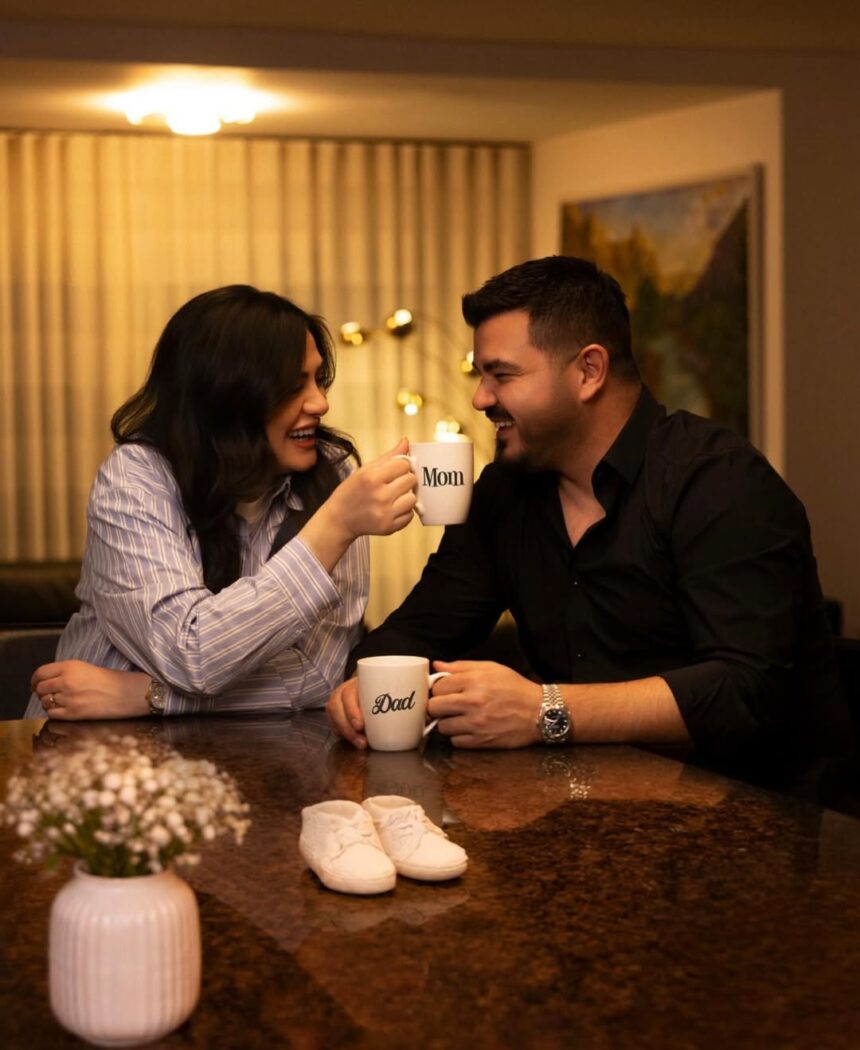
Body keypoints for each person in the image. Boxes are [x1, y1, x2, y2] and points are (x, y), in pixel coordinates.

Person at [327, 256, 849, 781]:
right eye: (481, 375)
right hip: (583, 798)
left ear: (589, 371)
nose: (480, 398)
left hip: (751, 806)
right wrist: (361, 685)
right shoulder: (505, 492)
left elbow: (745, 691)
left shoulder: (719, 481)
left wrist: (544, 710)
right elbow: (420, 629)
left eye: (501, 375)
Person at [25, 285, 417, 720]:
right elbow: (189, 653)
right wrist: (335, 526)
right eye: (293, 387)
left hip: (252, 746)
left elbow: (319, 674)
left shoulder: (332, 476)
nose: (320, 403)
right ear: (227, 399)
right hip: (89, 743)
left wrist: (147, 696)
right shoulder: (135, 478)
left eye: (318, 380)